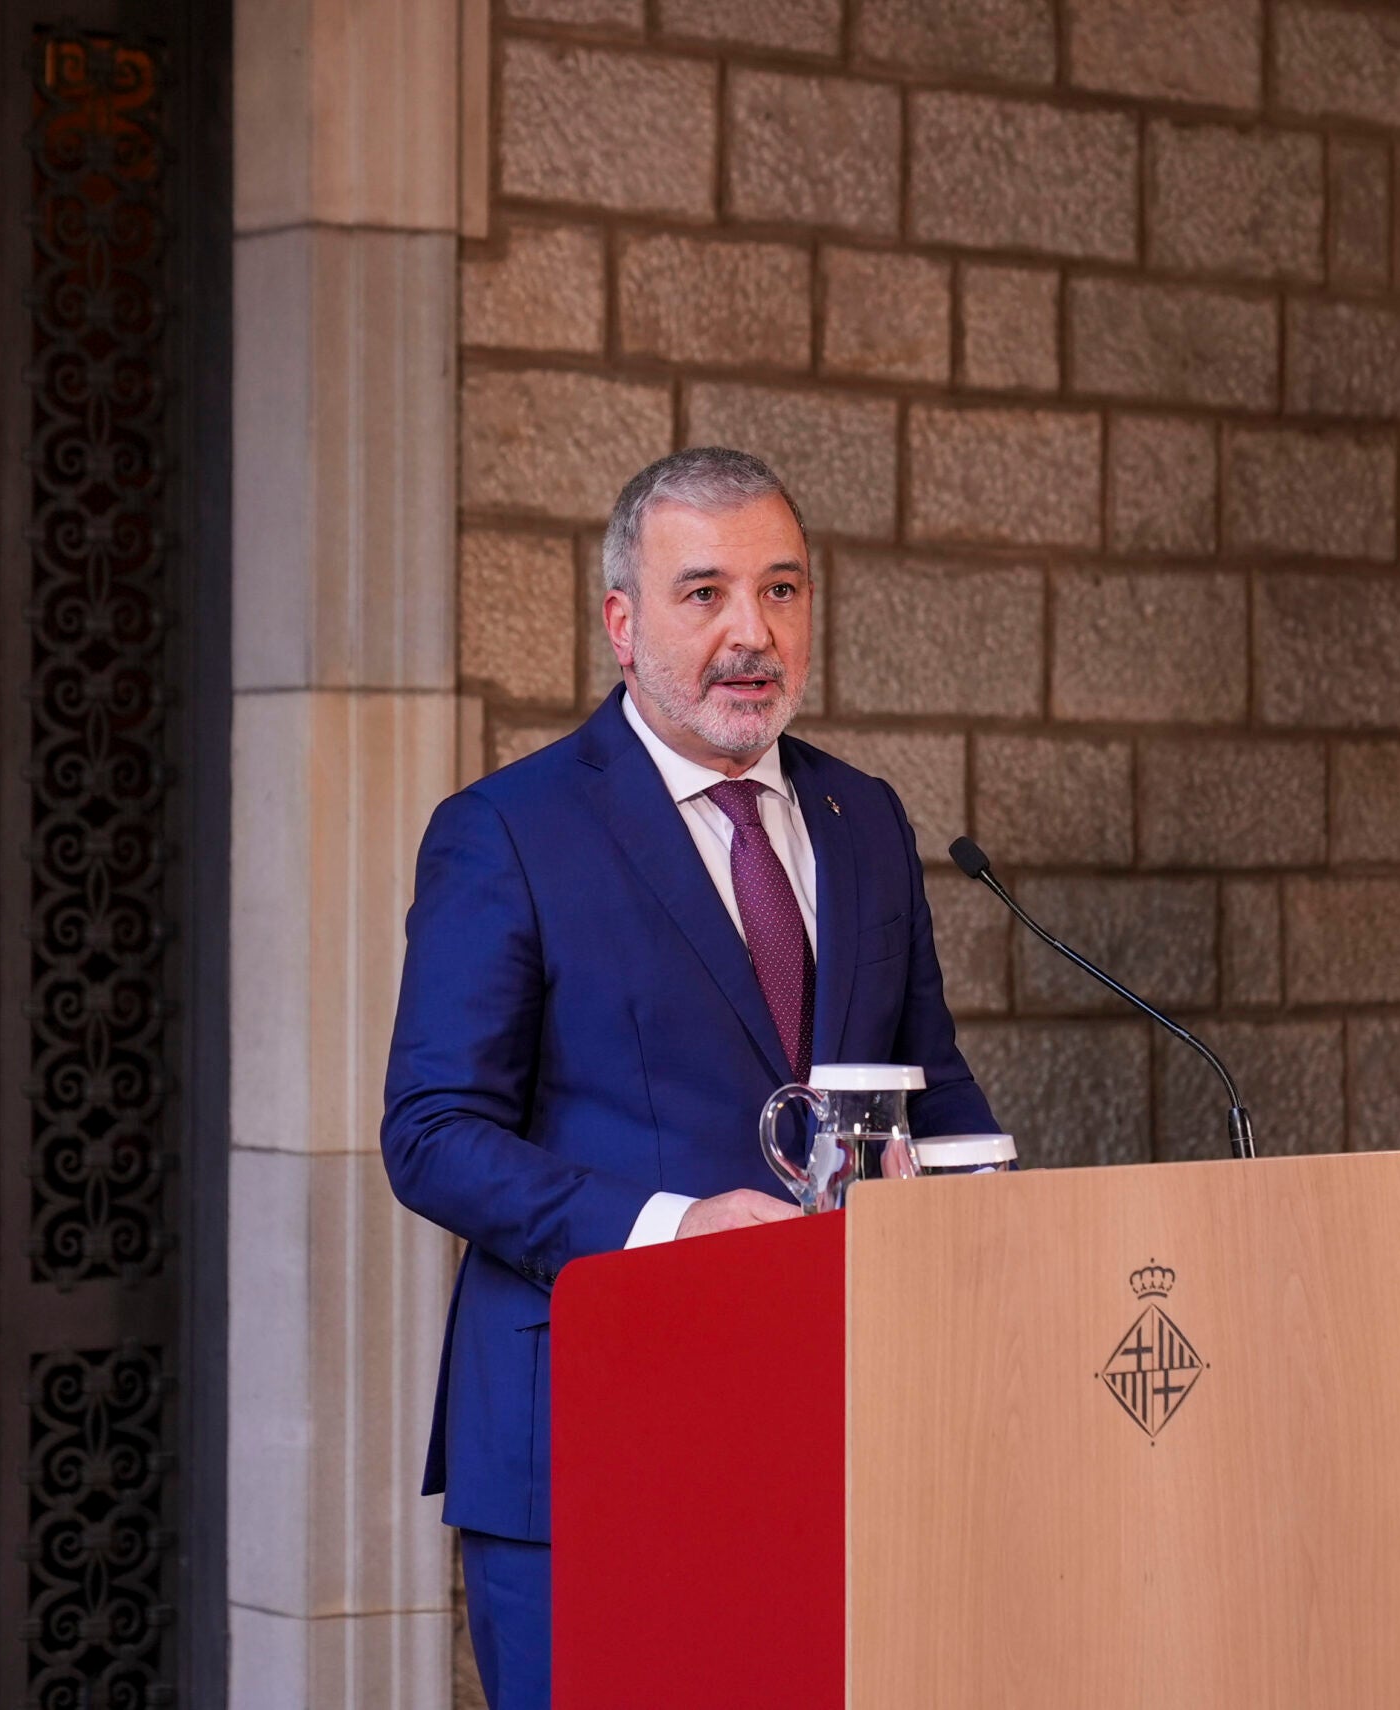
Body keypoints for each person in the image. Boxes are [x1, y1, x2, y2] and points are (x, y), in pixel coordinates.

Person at [381, 447, 999, 1710]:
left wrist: (994, 1215)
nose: (749, 634)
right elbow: (433, 1134)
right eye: (703, 593)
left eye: (782, 591)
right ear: (621, 621)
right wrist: (672, 1231)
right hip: (596, 1435)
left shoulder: (864, 819)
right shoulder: (507, 830)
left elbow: (929, 1087)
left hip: (831, 1431)